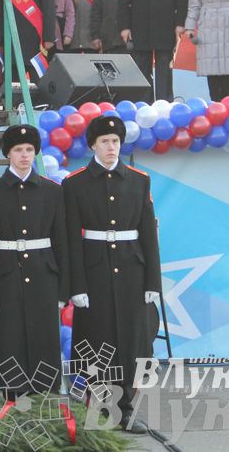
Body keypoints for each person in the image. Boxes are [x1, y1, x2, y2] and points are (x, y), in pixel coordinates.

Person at [62, 115, 161, 434]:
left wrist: (152, 282)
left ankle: (126, 408)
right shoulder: (75, 183)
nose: (111, 147)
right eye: (104, 141)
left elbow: (148, 232)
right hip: (94, 272)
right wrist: (75, 284)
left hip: (132, 271)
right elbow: (70, 239)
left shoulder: (138, 180)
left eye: (116, 141)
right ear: (92, 145)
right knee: (97, 339)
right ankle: (101, 407)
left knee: (131, 341)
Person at [0, 125, 68, 397]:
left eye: (29, 150)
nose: (24, 155)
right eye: (18, 150)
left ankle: (46, 394)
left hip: (44, 272)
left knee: (45, 335)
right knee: (10, 337)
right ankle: (10, 396)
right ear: (8, 154)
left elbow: (62, 242)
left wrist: (64, 288)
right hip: (6, 273)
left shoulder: (52, 191)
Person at [117, 0, 188, 102]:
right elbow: (123, 2)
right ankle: (145, 107)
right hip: (139, 29)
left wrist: (180, 24)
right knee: (142, 70)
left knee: (164, 70)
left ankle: (164, 106)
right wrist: (125, 27)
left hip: (166, 29)